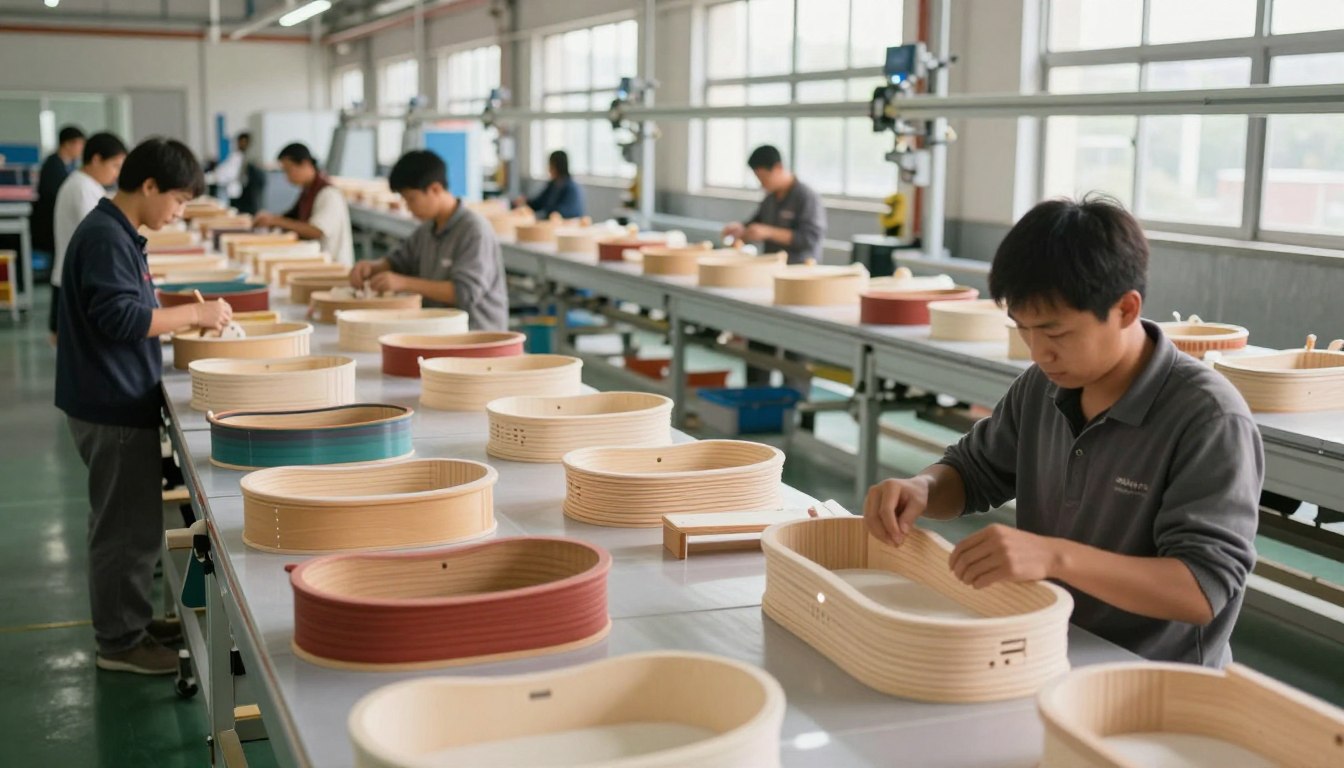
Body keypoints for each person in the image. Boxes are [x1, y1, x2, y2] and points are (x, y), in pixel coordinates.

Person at [862, 196, 1261, 667]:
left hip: (1154, 677)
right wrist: (922, 487)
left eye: (1056, 333)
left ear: (1126, 309)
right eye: (1024, 330)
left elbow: (1200, 590)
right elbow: (972, 473)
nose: (1039, 352)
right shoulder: (1042, 387)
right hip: (1049, 645)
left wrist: (1054, 557)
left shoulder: (1208, 419)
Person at [57, 138, 232, 675]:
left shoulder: (118, 234)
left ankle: (129, 620)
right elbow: (123, 320)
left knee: (131, 525)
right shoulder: (107, 237)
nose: (178, 212)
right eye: (177, 200)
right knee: (124, 531)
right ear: (149, 186)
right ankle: (120, 643)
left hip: (113, 396)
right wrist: (193, 318)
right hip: (109, 404)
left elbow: (131, 309)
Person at [349, 150, 508, 331]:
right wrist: (373, 267)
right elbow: (399, 261)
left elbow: (464, 293)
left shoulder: (474, 231)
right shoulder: (427, 229)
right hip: (438, 329)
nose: (408, 208)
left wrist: (403, 283)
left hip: (475, 336)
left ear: (435, 189)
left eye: (411, 199)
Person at [50, 132, 128, 341]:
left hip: (73, 273)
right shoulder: (81, 188)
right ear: (96, 159)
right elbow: (102, 233)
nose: (117, 173)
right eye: (114, 165)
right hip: (73, 277)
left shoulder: (87, 185)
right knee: (69, 342)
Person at [721, 144, 826, 265]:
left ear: (778, 168)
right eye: (758, 179)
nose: (761, 184)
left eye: (763, 178)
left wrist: (769, 232)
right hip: (771, 268)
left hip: (799, 270)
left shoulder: (807, 197)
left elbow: (810, 238)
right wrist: (741, 228)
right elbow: (756, 223)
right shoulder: (770, 198)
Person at [254, 142, 353, 265]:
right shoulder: (308, 190)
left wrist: (276, 221)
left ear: (305, 164)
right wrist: (271, 219)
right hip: (316, 260)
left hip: (332, 265)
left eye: (289, 170)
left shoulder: (328, 194)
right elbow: (292, 217)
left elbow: (316, 231)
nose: (287, 177)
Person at [32, 125, 86, 282]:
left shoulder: (66, 165)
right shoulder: (54, 166)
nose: (81, 149)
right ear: (68, 144)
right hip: (49, 226)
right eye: (79, 144)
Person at [513, 150, 584, 219]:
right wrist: (525, 202)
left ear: (558, 166)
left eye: (551, 165)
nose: (549, 169)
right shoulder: (552, 185)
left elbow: (564, 212)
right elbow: (539, 202)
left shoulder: (571, 188)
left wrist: (541, 215)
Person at [207, 132, 266, 215]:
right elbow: (224, 175)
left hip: (246, 194)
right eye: (242, 141)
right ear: (237, 142)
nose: (243, 144)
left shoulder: (249, 158)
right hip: (235, 193)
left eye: (246, 142)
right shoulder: (235, 157)